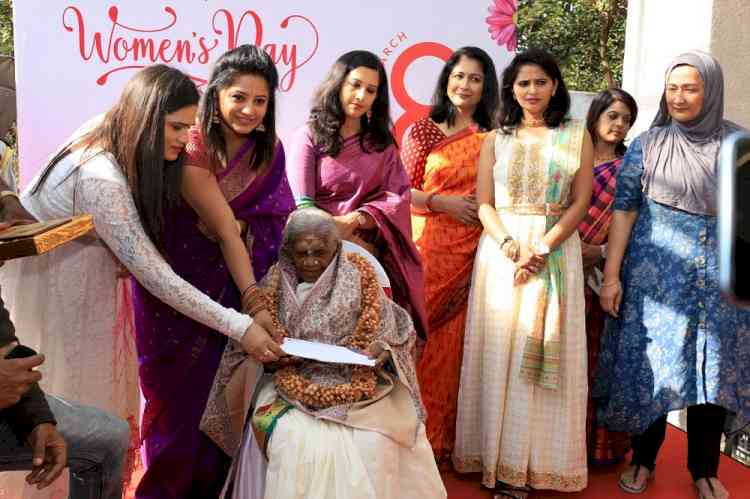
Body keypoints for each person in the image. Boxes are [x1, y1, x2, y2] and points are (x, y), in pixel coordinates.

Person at [0, 65, 275, 496]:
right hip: (60, 292)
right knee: (67, 424)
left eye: (190, 126)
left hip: (89, 282)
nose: (187, 140)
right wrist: (242, 326)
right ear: (146, 117)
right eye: (177, 127)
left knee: (98, 417)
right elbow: (159, 278)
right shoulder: (100, 177)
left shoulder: (112, 128)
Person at [131, 45, 293, 498]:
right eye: (239, 96)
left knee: (225, 407)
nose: (248, 109)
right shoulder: (192, 143)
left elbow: (278, 217)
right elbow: (221, 229)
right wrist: (253, 300)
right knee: (178, 411)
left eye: (260, 101)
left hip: (236, 288)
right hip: (174, 291)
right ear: (217, 94)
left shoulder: (268, 152)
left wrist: (248, 232)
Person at [201, 208, 446, 499]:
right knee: (293, 440)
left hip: (359, 384)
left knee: (375, 441)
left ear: (336, 248)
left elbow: (399, 330)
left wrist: (382, 350)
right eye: (301, 253)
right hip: (288, 383)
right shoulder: (273, 282)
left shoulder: (359, 276)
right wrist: (269, 353)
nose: (310, 262)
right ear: (288, 250)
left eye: (320, 252)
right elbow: (250, 341)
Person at [595, 51, 749, 499]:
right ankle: (642, 461)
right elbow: (623, 212)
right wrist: (612, 276)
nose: (679, 97)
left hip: (720, 281)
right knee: (654, 368)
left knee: (713, 371)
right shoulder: (649, 143)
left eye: (691, 88)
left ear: (712, 91)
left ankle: (704, 470)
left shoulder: (738, 145)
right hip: (653, 280)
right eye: (673, 87)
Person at [453, 49, 593, 498]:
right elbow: (485, 204)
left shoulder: (576, 134)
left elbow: (580, 202)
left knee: (541, 354)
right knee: (500, 352)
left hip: (554, 252)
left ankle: (534, 466)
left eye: (540, 82)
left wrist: (543, 246)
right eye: (522, 83)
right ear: (511, 89)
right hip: (501, 253)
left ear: (555, 86)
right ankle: (496, 460)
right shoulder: (496, 139)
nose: (531, 91)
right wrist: (512, 246)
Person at [400, 46, 499, 463]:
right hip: (427, 251)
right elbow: (399, 193)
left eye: (475, 79)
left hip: (475, 251)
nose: (465, 85)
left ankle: (440, 443)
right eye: (459, 76)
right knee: (417, 342)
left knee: (454, 350)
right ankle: (406, 438)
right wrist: (443, 203)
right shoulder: (421, 132)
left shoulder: (492, 136)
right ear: (446, 80)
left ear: (485, 87)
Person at [286, 50, 428, 339]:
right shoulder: (309, 136)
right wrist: (340, 235)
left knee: (361, 349)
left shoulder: (382, 145)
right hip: (313, 260)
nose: (361, 95)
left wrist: (359, 219)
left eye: (370, 90)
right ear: (338, 84)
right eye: (355, 85)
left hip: (370, 260)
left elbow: (398, 197)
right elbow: (302, 205)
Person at [578, 88, 638, 465]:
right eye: (613, 115)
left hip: (601, 276)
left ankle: (594, 449)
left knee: (596, 360)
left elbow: (633, 226)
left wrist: (598, 254)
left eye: (626, 119)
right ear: (597, 114)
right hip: (559, 266)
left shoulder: (630, 168)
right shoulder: (572, 156)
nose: (618, 124)